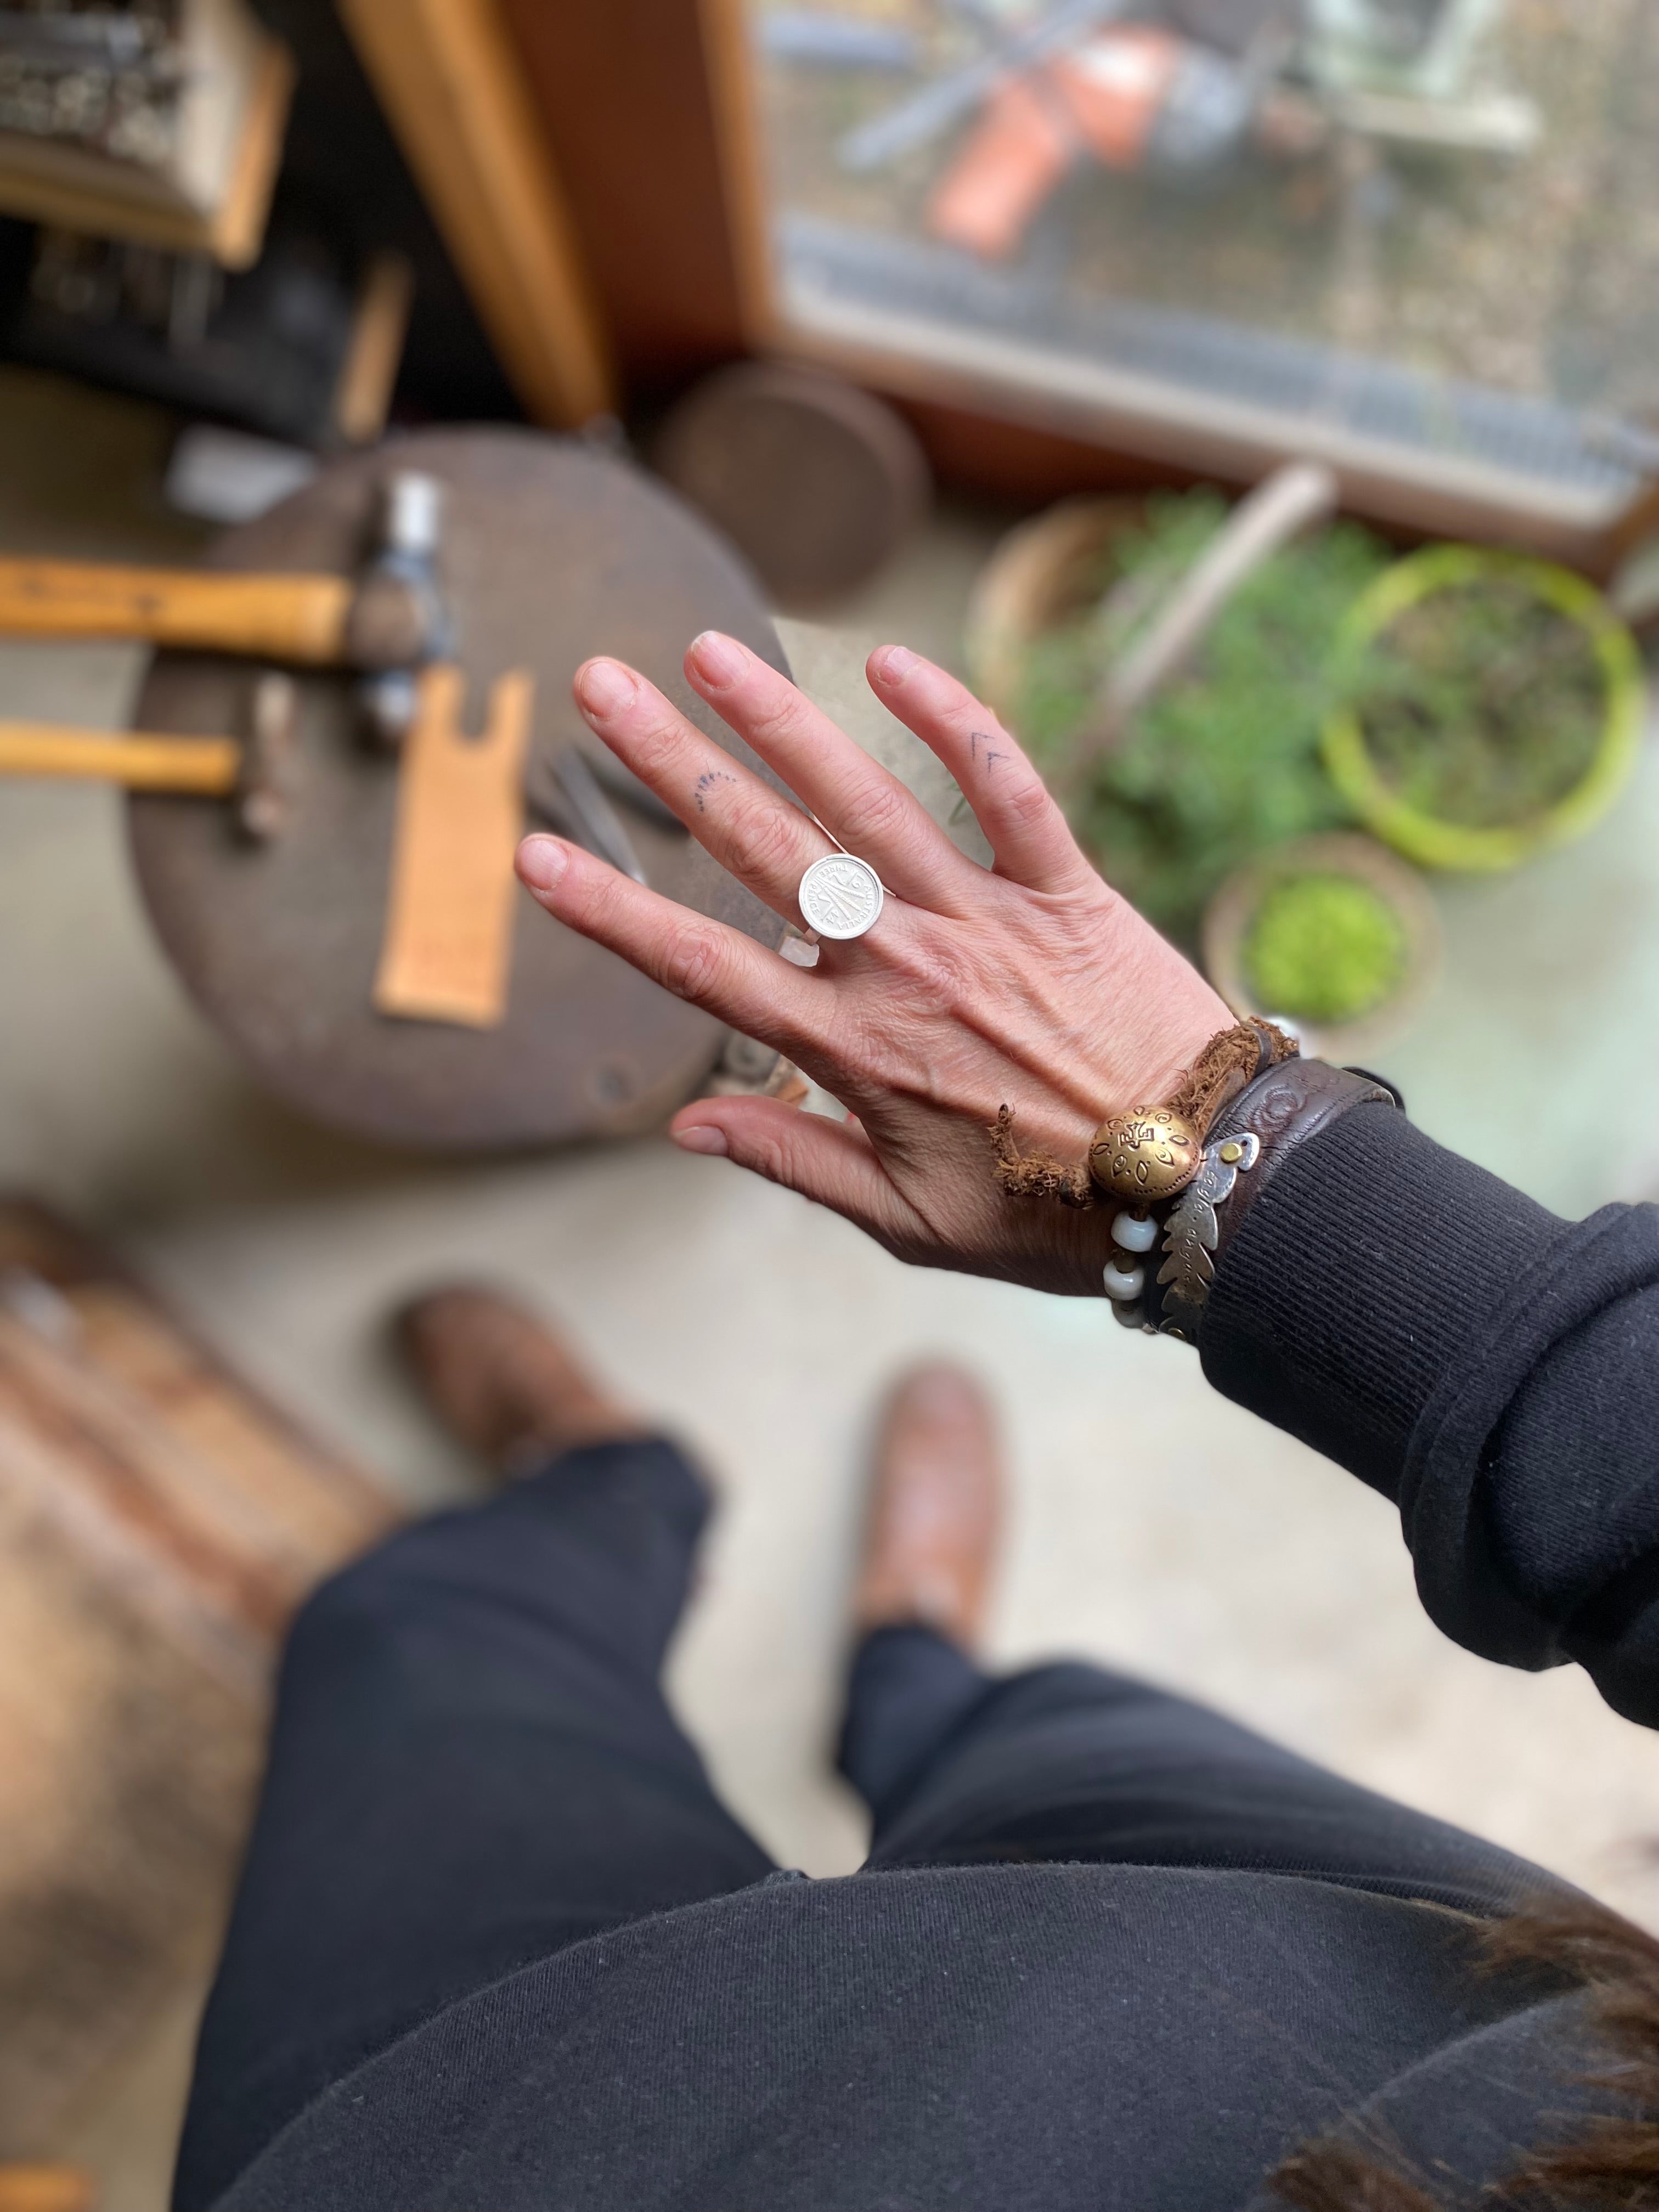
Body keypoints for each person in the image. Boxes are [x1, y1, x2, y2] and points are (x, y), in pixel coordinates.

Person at [173, 636, 1659, 2212]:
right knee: (1055, 1733)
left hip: (491, 2131)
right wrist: (1250, 1164)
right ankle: (906, 1663)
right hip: (1427, 2015)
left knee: (412, 1640)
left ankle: (606, 1488)